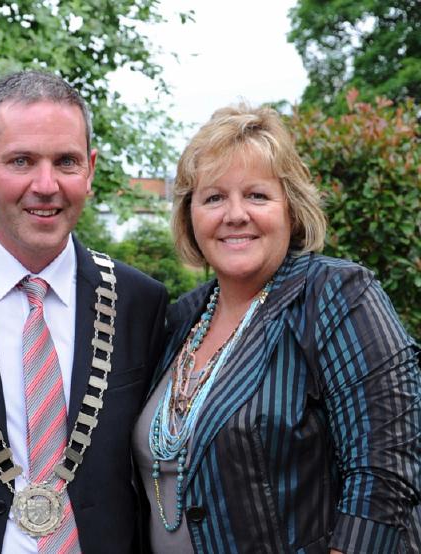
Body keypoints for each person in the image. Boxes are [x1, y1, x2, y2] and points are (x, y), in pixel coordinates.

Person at [132, 104, 421, 553]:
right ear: (190, 215)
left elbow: (387, 471)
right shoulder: (180, 318)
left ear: (292, 208)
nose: (235, 214)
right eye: (213, 198)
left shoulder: (335, 295)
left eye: (257, 196)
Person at [0, 71, 168, 553]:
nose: (46, 185)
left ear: (89, 169)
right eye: (21, 161)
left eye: (65, 162)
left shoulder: (137, 301)